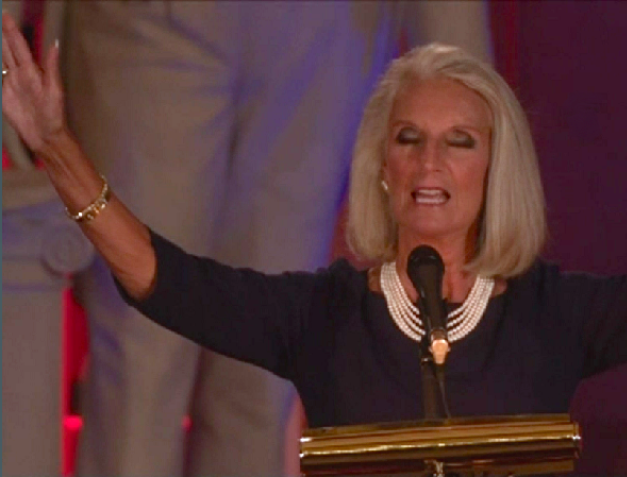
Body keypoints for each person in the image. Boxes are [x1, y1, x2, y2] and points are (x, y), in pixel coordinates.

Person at [4, 9, 627, 460]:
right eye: (409, 138)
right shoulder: (324, 315)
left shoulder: (551, 314)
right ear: (381, 166)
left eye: (460, 141)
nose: (431, 162)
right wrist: (56, 145)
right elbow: (163, 278)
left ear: (495, 166)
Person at [57, 2, 491, 476]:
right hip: (157, 23)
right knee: (140, 354)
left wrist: (465, 94)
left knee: (262, 373)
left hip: (325, 35)